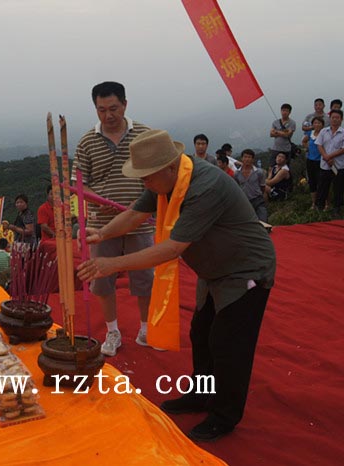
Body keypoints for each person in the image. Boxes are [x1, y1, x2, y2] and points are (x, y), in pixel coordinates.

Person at [77, 129, 275, 442]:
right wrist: (102, 234)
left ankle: (224, 415)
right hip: (213, 270)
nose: (144, 183)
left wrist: (112, 264)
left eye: (147, 177)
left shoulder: (204, 186)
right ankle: (201, 394)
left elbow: (172, 248)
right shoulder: (164, 180)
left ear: (170, 167)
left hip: (245, 268)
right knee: (201, 334)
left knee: (228, 342)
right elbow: (135, 214)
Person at [72, 81, 156, 357]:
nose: (108, 115)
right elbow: (78, 183)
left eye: (114, 108)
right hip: (101, 225)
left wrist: (139, 205)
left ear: (125, 104)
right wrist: (101, 201)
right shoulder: (87, 141)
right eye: (101, 110)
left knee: (144, 277)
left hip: (140, 221)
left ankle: (146, 328)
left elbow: (157, 175)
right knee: (102, 279)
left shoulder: (144, 135)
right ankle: (112, 331)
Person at [315, 109, 344, 215]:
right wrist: (326, 157)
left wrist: (329, 156)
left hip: (338, 166)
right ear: (330, 119)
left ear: (341, 119)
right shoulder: (323, 131)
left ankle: (337, 209)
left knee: (338, 188)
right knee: (322, 188)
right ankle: (319, 209)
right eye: (333, 117)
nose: (335, 119)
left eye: (337, 118)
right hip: (325, 166)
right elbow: (319, 145)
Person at [234, 149, 267, 222]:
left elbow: (262, 186)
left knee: (263, 220)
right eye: (245, 157)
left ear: (253, 159)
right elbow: (237, 187)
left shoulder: (259, 172)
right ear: (242, 158)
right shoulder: (237, 173)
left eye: (249, 157)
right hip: (244, 201)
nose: (247, 159)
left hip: (258, 200)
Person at [301, 116, 325, 209]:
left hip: (321, 161)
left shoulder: (324, 134)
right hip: (310, 160)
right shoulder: (310, 133)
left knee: (322, 182)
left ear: (322, 125)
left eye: (319, 123)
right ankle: (314, 203)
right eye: (315, 123)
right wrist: (308, 148)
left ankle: (325, 203)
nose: (317, 124)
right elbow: (304, 141)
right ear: (312, 124)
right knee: (312, 182)